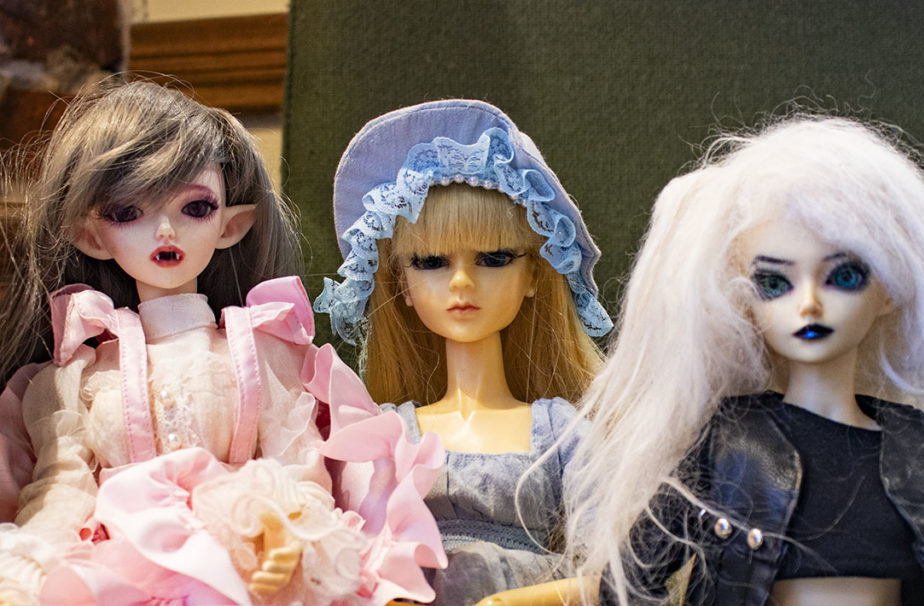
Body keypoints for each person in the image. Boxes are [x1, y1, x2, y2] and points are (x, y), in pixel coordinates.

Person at [0, 78, 444, 605]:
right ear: (92, 236)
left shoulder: (261, 352)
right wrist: (26, 571)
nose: (165, 231)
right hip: (121, 571)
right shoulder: (78, 377)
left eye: (195, 208)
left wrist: (288, 534)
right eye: (127, 212)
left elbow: (299, 469)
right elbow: (61, 492)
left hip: (245, 565)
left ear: (232, 225)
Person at [562, 116, 924, 605]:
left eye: (843, 277)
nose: (809, 305)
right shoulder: (728, 445)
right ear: (744, 299)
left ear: (889, 288)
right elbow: (629, 583)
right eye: (775, 283)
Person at [315, 99, 611, 605]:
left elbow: (615, 577)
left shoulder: (563, 434)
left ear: (534, 275)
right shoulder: (383, 433)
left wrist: (502, 602)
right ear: (402, 285)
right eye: (431, 261)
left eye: (493, 258)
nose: (461, 282)